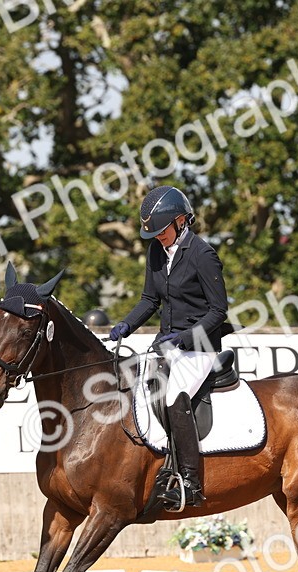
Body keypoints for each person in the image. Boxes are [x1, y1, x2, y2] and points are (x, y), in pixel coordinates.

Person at [109, 185, 229, 509]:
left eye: (162, 231)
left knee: (175, 397)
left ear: (181, 221)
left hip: (200, 346)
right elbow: (150, 299)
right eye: (154, 234)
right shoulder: (156, 252)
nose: (158, 238)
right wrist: (126, 325)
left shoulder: (203, 255)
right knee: (135, 388)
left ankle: (190, 481)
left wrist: (183, 337)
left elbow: (218, 312)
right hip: (166, 344)